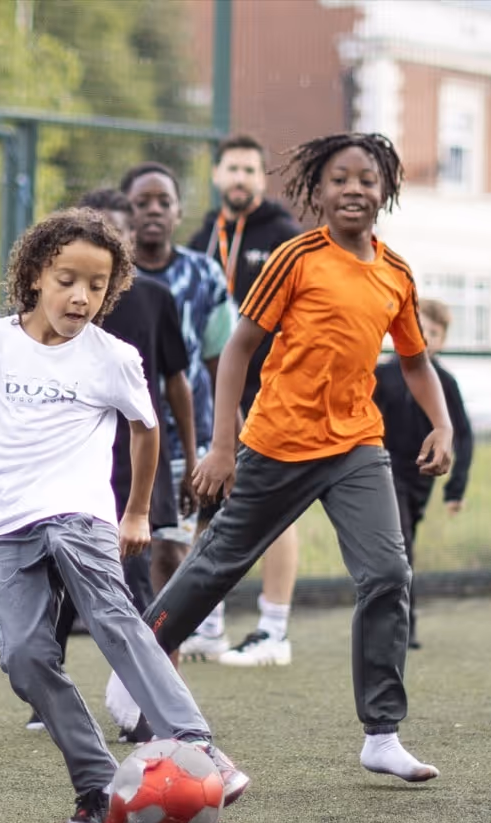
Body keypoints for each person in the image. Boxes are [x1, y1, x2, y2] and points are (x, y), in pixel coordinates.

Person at [0, 208, 249, 823]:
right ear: (37, 275)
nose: (82, 296)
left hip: (81, 514)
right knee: (23, 658)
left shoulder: (114, 357)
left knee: (109, 614)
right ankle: (99, 792)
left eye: (97, 286)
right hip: (8, 525)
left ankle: (197, 744)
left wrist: (134, 512)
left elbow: (146, 430)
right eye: (68, 279)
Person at [143, 133, 452, 783]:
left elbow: (417, 360)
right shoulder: (295, 257)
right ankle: (139, 658)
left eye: (367, 180)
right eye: (340, 179)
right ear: (317, 191)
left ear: (385, 192)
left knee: (388, 574)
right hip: (277, 441)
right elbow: (239, 348)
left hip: (357, 446)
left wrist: (442, 425)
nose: (354, 190)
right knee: (217, 565)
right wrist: (223, 444)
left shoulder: (396, 273)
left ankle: (382, 733)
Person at [57, 188, 194, 742]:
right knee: (59, 569)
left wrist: (190, 447)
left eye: (114, 233)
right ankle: (49, 690)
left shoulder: (156, 297)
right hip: (77, 456)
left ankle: (143, 701)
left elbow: (175, 380)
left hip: (139, 457)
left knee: (137, 572)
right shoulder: (56, 305)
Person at [187, 134, 306, 667]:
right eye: (231, 168)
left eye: (249, 169)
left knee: (276, 510)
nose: (239, 177)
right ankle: (207, 626)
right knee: (207, 506)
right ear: (216, 176)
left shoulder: (285, 237)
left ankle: (273, 630)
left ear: (263, 178)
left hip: (271, 397)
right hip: (213, 396)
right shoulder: (200, 239)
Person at [119, 162, 234, 633]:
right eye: (140, 203)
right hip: (117, 440)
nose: (152, 211)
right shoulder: (105, 279)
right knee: (125, 557)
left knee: (169, 547)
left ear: (179, 211)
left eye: (163, 202)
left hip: (183, 435)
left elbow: (219, 361)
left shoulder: (203, 274)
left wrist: (223, 440)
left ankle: (163, 659)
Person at [373, 298, 474, 650]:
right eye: (421, 329)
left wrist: (455, 488)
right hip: (384, 473)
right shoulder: (383, 374)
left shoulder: (444, 383)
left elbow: (463, 434)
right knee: (398, 545)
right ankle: (402, 625)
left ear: (442, 341)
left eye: (434, 333)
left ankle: (397, 618)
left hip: (421, 478)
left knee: (404, 544)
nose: (426, 338)